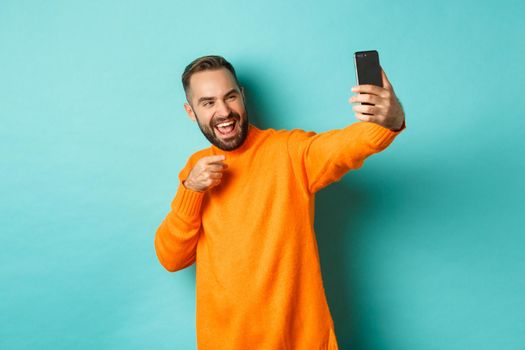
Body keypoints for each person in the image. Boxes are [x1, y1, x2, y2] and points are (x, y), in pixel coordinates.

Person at [154, 55, 405, 350]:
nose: (224, 112)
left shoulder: (289, 152)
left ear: (242, 97)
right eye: (208, 103)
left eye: (230, 97)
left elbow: (344, 147)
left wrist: (391, 120)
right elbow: (171, 258)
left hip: (301, 341)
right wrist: (191, 190)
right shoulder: (196, 170)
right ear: (191, 111)